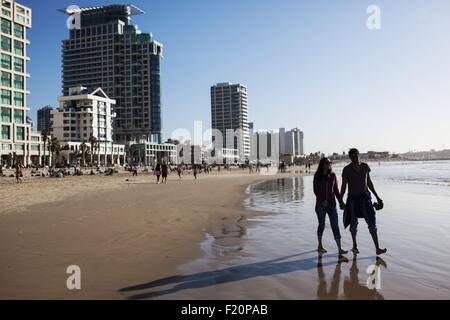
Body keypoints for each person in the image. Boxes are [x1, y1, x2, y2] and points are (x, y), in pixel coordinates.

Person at [340, 148, 387, 256]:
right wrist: (340, 200)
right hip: (352, 199)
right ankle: (355, 246)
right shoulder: (346, 169)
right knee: (353, 224)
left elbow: (369, 183)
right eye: (352, 157)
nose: (354, 158)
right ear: (349, 157)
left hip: (365, 198)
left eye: (355, 156)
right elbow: (343, 186)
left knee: (372, 223)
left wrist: (378, 197)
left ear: (358, 155)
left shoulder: (365, 166)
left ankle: (377, 248)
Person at [313, 158, 347, 255]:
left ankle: (340, 249)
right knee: (322, 225)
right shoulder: (317, 175)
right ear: (322, 164)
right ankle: (320, 245)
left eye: (330, 163)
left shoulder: (332, 175)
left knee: (335, 225)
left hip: (332, 204)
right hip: (320, 205)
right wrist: (322, 200)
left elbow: (336, 190)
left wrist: (341, 201)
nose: (329, 164)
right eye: (327, 163)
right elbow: (315, 190)